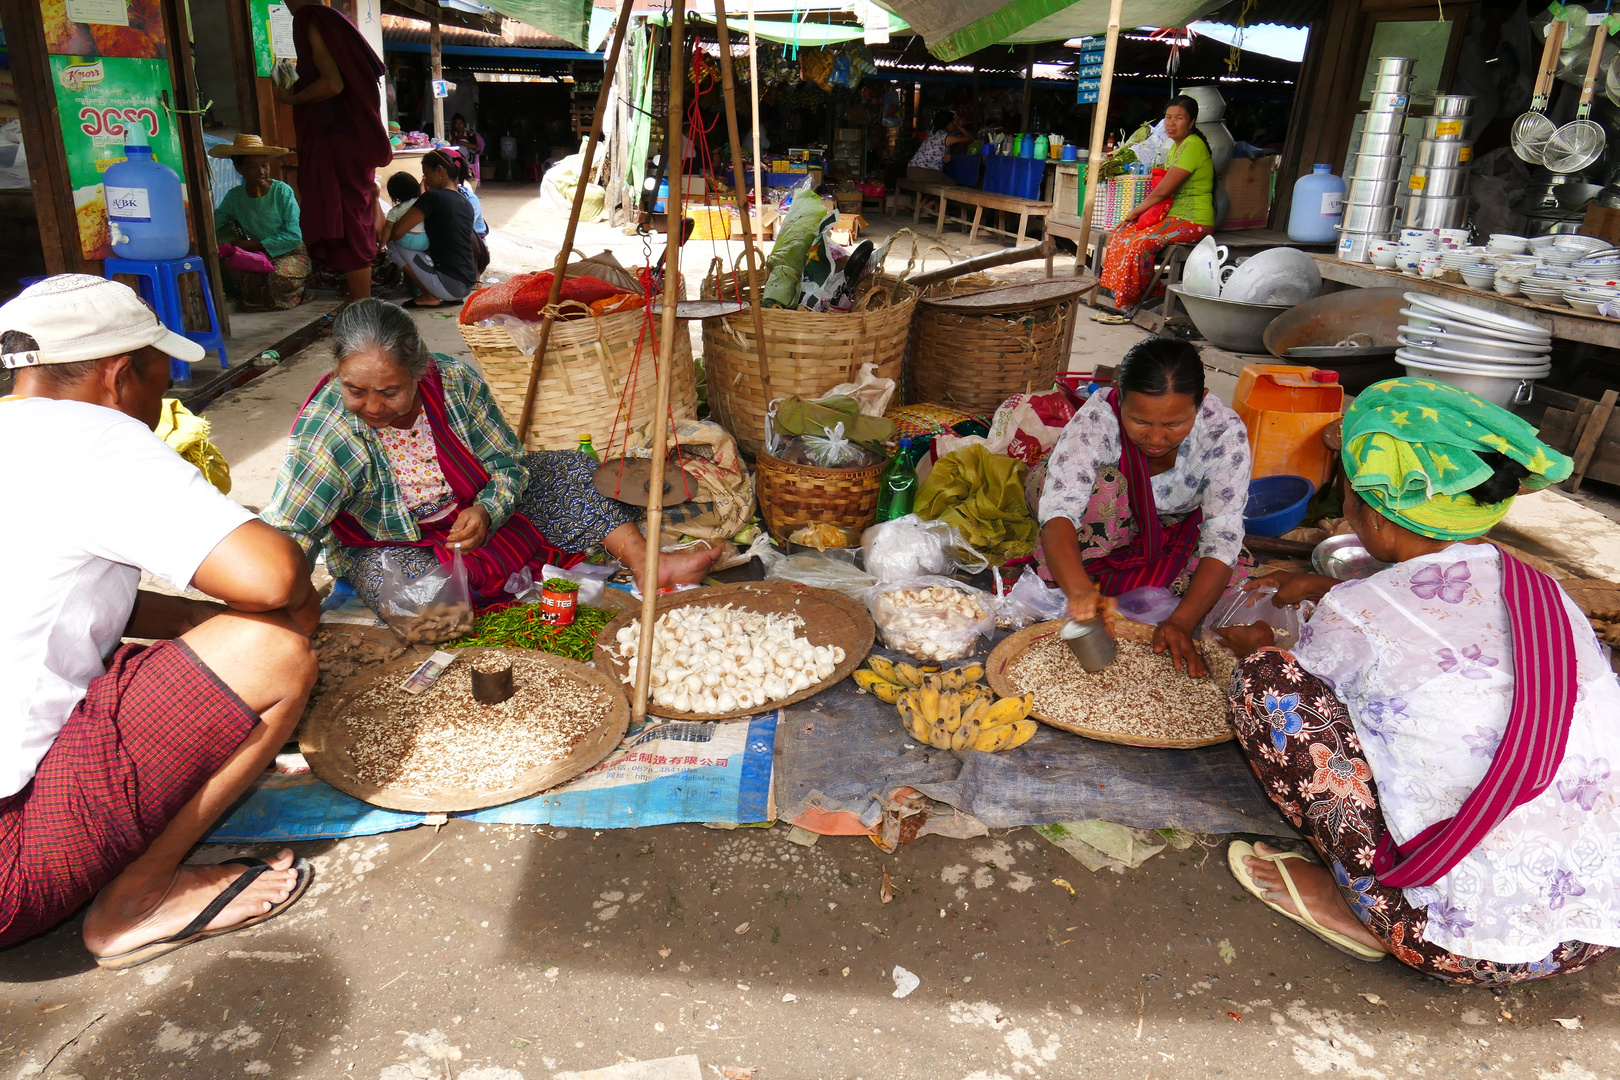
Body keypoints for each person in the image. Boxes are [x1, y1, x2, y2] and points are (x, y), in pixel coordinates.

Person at [1216, 378, 1620, 984]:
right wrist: (1332, 590)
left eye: (1347, 495)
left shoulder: (1358, 613)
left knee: (1267, 684)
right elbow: (1444, 625)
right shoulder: (1547, 594)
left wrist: (1260, 646)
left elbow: (1317, 682)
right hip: (1594, 930)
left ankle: (1359, 905)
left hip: (1455, 943)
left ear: (1371, 515)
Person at [0, 275, 319, 965]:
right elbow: (275, 576)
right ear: (120, 375)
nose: (162, 395)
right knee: (275, 644)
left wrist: (197, 625)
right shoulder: (94, 436)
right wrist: (244, 628)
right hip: (7, 871)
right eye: (158, 373)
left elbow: (63, 595)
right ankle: (135, 902)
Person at [260, 300, 727, 614]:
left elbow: (508, 464)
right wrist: (285, 603)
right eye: (356, 390)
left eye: (389, 392)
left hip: (477, 518)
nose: (374, 407)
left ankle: (649, 563)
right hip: (395, 543)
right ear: (336, 373)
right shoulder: (331, 430)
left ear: (419, 372)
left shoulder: (455, 382)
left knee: (573, 469)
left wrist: (488, 508)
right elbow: (289, 529)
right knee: (425, 608)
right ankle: (481, 595)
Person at [1029, 336, 1251, 678]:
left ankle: (1115, 575)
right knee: (1106, 488)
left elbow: (1222, 534)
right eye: (1140, 421)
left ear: (1201, 402)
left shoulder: (1223, 434)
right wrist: (1081, 592)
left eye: (1174, 424)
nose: (1156, 439)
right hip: (1094, 505)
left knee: (1234, 576)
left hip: (1168, 522)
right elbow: (1059, 512)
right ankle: (1084, 578)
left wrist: (1180, 622)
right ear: (1121, 398)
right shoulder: (1098, 419)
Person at [274, 0, 392, 302]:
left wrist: (291, 99)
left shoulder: (313, 20)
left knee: (349, 218)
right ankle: (357, 300)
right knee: (349, 214)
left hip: (339, 138)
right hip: (345, 138)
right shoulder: (328, 18)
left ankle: (362, 304)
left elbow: (333, 84)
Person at [1098, 95, 1217, 315]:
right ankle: (1123, 294)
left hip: (1194, 221)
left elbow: (1162, 192)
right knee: (1121, 235)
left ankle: (1143, 298)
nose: (1172, 123)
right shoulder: (1175, 147)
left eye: (1179, 118)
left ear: (1191, 122)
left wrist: (1133, 212)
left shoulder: (1193, 146)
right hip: (1175, 217)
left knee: (1140, 243)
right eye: (1168, 117)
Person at [209, 134, 311, 311]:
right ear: (239, 168)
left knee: (277, 276)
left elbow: (294, 236)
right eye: (252, 167)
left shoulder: (282, 192)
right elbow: (215, 222)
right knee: (243, 279)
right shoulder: (235, 197)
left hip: (290, 253)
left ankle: (302, 292)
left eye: (264, 166)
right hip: (259, 256)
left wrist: (256, 245)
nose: (261, 172)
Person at [386, 149, 480, 308]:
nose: (426, 181)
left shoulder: (432, 197)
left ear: (440, 170)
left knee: (393, 244)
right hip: (467, 284)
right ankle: (442, 294)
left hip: (449, 286)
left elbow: (397, 232)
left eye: (427, 174)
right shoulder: (465, 201)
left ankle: (428, 295)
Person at [907, 110, 971, 185]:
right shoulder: (946, 137)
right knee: (952, 184)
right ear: (949, 123)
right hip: (923, 171)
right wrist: (958, 125)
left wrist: (947, 152)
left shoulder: (933, 133)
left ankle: (926, 197)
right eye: (953, 124)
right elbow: (969, 138)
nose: (954, 127)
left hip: (911, 170)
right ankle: (929, 197)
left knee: (939, 182)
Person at [380, 171, 430, 251]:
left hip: (404, 240)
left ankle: (403, 262)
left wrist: (382, 243)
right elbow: (423, 195)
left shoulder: (394, 211)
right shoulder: (421, 201)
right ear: (415, 187)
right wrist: (422, 185)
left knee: (392, 246)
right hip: (424, 241)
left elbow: (388, 226)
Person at [451, 113, 485, 186]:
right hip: (455, 155)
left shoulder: (470, 135)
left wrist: (461, 142)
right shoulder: (452, 136)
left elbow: (475, 147)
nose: (459, 125)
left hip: (468, 156)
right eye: (457, 123)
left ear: (464, 124)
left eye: (461, 123)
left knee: (461, 150)